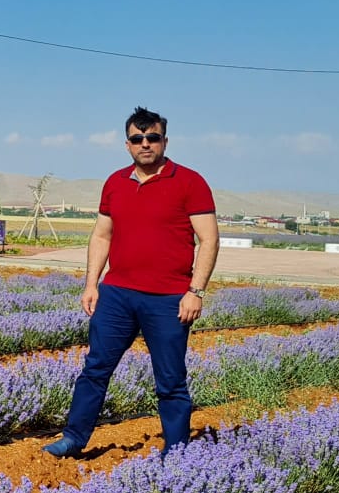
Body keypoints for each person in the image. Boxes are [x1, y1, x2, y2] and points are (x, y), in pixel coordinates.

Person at [46, 107, 219, 457]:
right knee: (95, 368)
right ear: (127, 144)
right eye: (138, 139)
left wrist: (195, 292)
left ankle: (176, 452)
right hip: (117, 295)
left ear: (164, 141)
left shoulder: (190, 182)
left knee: (170, 381)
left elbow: (210, 240)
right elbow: (101, 236)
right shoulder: (114, 182)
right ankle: (74, 439)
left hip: (168, 299)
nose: (145, 144)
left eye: (152, 138)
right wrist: (91, 283)